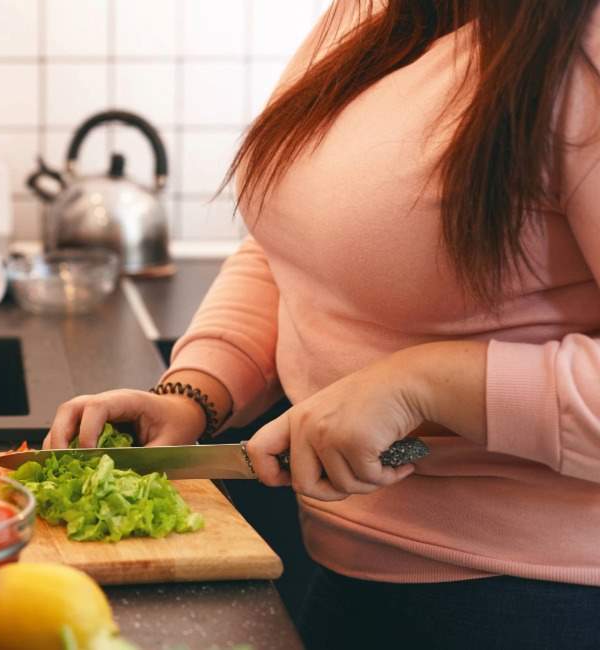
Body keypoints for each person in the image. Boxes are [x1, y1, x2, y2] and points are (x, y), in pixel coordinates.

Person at [44, 1, 600, 648]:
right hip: (340, 572)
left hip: (529, 604)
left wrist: (426, 384)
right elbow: (294, 244)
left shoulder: (580, 43)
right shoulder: (374, 10)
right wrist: (196, 391)